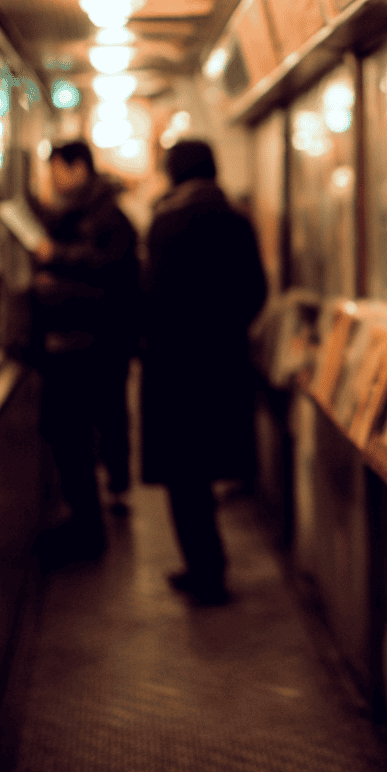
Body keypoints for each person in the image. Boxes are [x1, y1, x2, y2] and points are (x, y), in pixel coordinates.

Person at [143, 139, 267, 605]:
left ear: (174, 172)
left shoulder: (165, 223)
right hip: (224, 363)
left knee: (184, 475)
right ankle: (209, 567)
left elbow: (152, 298)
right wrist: (228, 331)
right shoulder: (237, 220)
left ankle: (204, 570)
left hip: (176, 368)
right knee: (211, 465)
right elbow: (257, 289)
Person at [32, 140, 140, 561]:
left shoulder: (105, 215)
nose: (53, 180)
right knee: (76, 431)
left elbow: (110, 279)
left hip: (92, 344)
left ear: (78, 168)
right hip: (87, 342)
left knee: (76, 431)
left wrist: (56, 269)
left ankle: (90, 524)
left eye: (56, 169)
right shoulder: (89, 210)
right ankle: (90, 513)